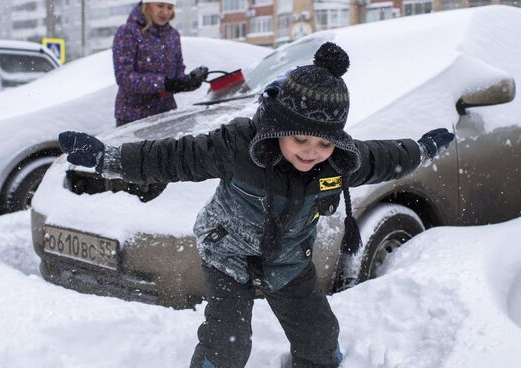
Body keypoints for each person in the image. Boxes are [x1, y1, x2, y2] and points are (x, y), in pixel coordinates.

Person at [58, 43, 454, 368]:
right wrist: (107, 160)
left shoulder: (336, 161)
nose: (312, 153)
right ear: (279, 127)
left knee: (320, 339)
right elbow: (171, 157)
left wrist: (422, 150)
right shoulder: (237, 147)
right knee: (227, 347)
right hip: (228, 255)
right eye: (301, 140)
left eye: (324, 143)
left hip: (288, 262)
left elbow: (382, 158)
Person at [112, 0, 209, 126]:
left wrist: (190, 80)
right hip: (133, 117)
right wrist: (164, 83)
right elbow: (124, 77)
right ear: (146, 5)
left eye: (170, 7)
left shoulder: (172, 35)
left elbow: (176, 76)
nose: (165, 12)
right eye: (160, 6)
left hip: (166, 115)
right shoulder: (128, 32)